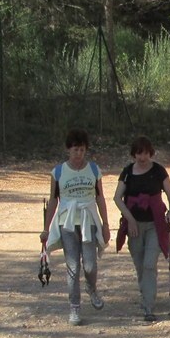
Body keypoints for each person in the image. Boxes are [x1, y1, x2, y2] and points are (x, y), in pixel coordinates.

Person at [42, 128, 112, 327]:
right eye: (75, 150)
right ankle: (74, 306)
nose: (78, 154)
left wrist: (106, 224)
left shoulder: (94, 170)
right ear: (68, 150)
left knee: (89, 264)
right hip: (67, 222)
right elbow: (53, 201)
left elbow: (100, 197)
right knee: (73, 265)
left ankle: (92, 287)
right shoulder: (58, 172)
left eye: (81, 150)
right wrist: (46, 229)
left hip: (88, 220)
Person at [113, 136, 170, 322]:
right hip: (134, 226)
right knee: (140, 265)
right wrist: (130, 220)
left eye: (146, 153)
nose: (143, 157)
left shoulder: (158, 171)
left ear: (151, 153)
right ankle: (146, 294)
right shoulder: (127, 172)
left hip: (155, 224)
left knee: (149, 264)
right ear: (134, 154)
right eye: (139, 153)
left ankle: (148, 306)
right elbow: (117, 198)